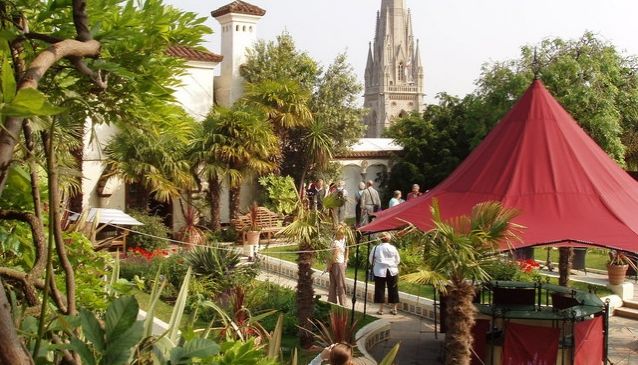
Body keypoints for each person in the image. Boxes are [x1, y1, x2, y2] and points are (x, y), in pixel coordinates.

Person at [369, 232, 400, 315]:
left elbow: (371, 260)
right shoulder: (393, 248)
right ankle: (394, 309)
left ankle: (381, 310)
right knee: (393, 289)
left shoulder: (376, 248)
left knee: (380, 289)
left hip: (379, 271)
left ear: (380, 239)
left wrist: (376, 264)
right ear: (389, 239)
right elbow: (397, 260)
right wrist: (392, 264)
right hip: (392, 271)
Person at [327, 226, 348, 305]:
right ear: (338, 235)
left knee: (333, 283)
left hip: (334, 264)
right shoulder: (336, 243)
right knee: (341, 283)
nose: (343, 236)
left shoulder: (335, 242)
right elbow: (335, 255)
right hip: (338, 264)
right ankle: (343, 302)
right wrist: (330, 264)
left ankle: (332, 301)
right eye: (342, 234)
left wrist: (329, 265)